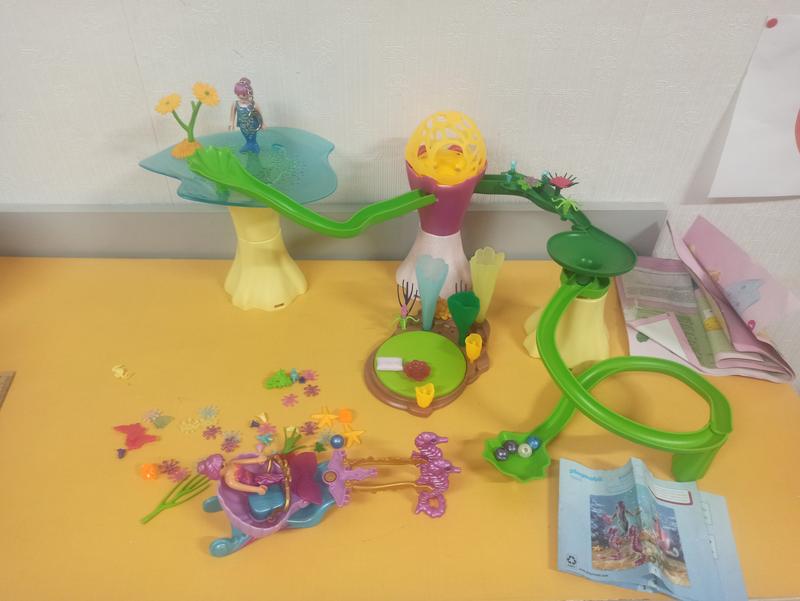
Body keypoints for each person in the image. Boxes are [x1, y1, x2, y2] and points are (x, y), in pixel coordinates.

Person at [229, 77, 264, 154]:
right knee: (245, 135)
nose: (241, 96)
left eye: (244, 94)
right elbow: (232, 114)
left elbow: (259, 114)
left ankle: (254, 145)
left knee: (252, 136)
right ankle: (248, 144)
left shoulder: (253, 104)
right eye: (238, 94)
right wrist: (231, 123)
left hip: (252, 124)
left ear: (249, 93)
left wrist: (262, 124)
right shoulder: (235, 104)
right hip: (242, 125)